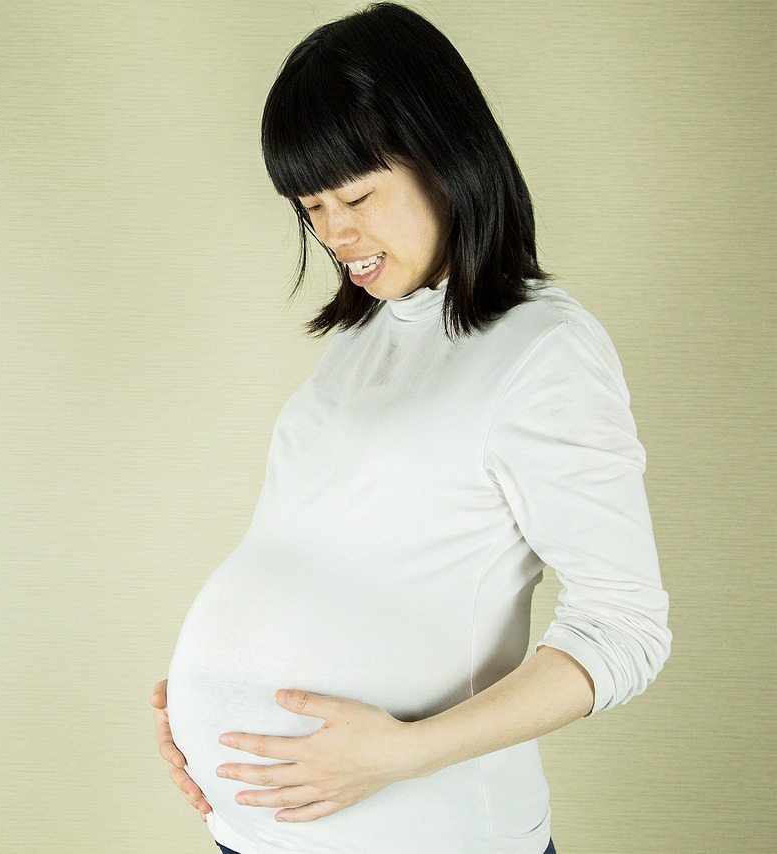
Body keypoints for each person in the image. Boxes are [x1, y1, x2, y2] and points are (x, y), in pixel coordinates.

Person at [149, 4, 671, 853]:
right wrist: (209, 704)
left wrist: (402, 753)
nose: (334, 233)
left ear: (447, 159)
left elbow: (627, 630)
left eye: (356, 195)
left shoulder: (545, 349)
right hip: (267, 834)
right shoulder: (365, 336)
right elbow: (328, 558)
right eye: (311, 206)